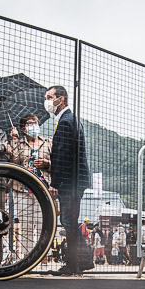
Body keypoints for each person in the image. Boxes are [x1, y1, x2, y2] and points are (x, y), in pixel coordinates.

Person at [37, 85, 93, 276]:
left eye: (49, 97)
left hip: (71, 181)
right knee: (70, 220)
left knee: (68, 221)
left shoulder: (66, 122)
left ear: (61, 99)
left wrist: (55, 183)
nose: (47, 101)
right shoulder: (70, 120)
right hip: (75, 179)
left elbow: (62, 156)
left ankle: (74, 265)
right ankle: (83, 260)